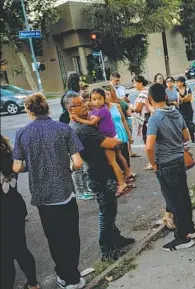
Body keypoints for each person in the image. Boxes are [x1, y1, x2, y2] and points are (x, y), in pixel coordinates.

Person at [13, 93, 86, 289]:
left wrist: (33, 165)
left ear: (29, 111)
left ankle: (64, 276)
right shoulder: (63, 129)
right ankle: (74, 277)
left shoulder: (22, 133)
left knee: (54, 238)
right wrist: (67, 167)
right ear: (47, 108)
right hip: (65, 193)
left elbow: (17, 167)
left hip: (43, 197)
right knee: (71, 235)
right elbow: (78, 162)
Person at [65, 92, 135, 262]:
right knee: (107, 210)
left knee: (110, 208)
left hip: (99, 171)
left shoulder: (81, 124)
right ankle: (106, 249)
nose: (86, 104)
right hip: (98, 174)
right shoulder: (82, 128)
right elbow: (111, 143)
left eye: (84, 101)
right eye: (80, 103)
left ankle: (116, 238)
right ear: (70, 109)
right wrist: (118, 139)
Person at [145, 84, 195, 251]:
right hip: (179, 159)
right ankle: (190, 228)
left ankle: (182, 237)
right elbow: (186, 136)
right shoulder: (175, 112)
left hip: (166, 164)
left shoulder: (155, 118)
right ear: (166, 97)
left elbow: (148, 146)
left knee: (174, 201)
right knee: (183, 196)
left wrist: (153, 164)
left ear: (150, 99)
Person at [70, 88, 133, 197]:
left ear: (104, 99)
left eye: (99, 99)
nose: (97, 102)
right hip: (109, 135)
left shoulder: (103, 110)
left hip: (109, 136)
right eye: (94, 99)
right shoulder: (97, 108)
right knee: (117, 157)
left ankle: (122, 183)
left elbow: (92, 122)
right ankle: (127, 173)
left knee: (112, 162)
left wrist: (78, 119)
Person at [1, 134, 40, 289]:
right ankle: (33, 284)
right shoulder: (7, 152)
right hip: (15, 207)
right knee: (21, 249)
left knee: (5, 257)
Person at [105, 90, 135, 184]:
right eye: (105, 95)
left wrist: (129, 135)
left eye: (108, 94)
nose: (107, 96)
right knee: (116, 156)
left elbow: (123, 121)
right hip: (112, 135)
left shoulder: (116, 106)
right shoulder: (102, 110)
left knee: (125, 153)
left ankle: (128, 173)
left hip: (121, 132)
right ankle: (120, 175)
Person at [130, 75, 152, 169]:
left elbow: (138, 109)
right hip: (148, 119)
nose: (134, 85)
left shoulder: (143, 93)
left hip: (145, 120)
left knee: (147, 142)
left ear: (140, 83)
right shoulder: (147, 91)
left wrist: (131, 107)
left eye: (135, 83)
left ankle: (152, 162)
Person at [176, 76, 195, 146]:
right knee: (182, 125)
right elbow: (178, 100)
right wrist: (184, 98)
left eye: (178, 81)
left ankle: (193, 140)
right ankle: (184, 141)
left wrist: (182, 99)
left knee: (190, 124)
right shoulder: (176, 90)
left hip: (188, 108)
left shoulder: (188, 89)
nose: (177, 83)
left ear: (182, 82)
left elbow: (190, 98)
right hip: (180, 109)